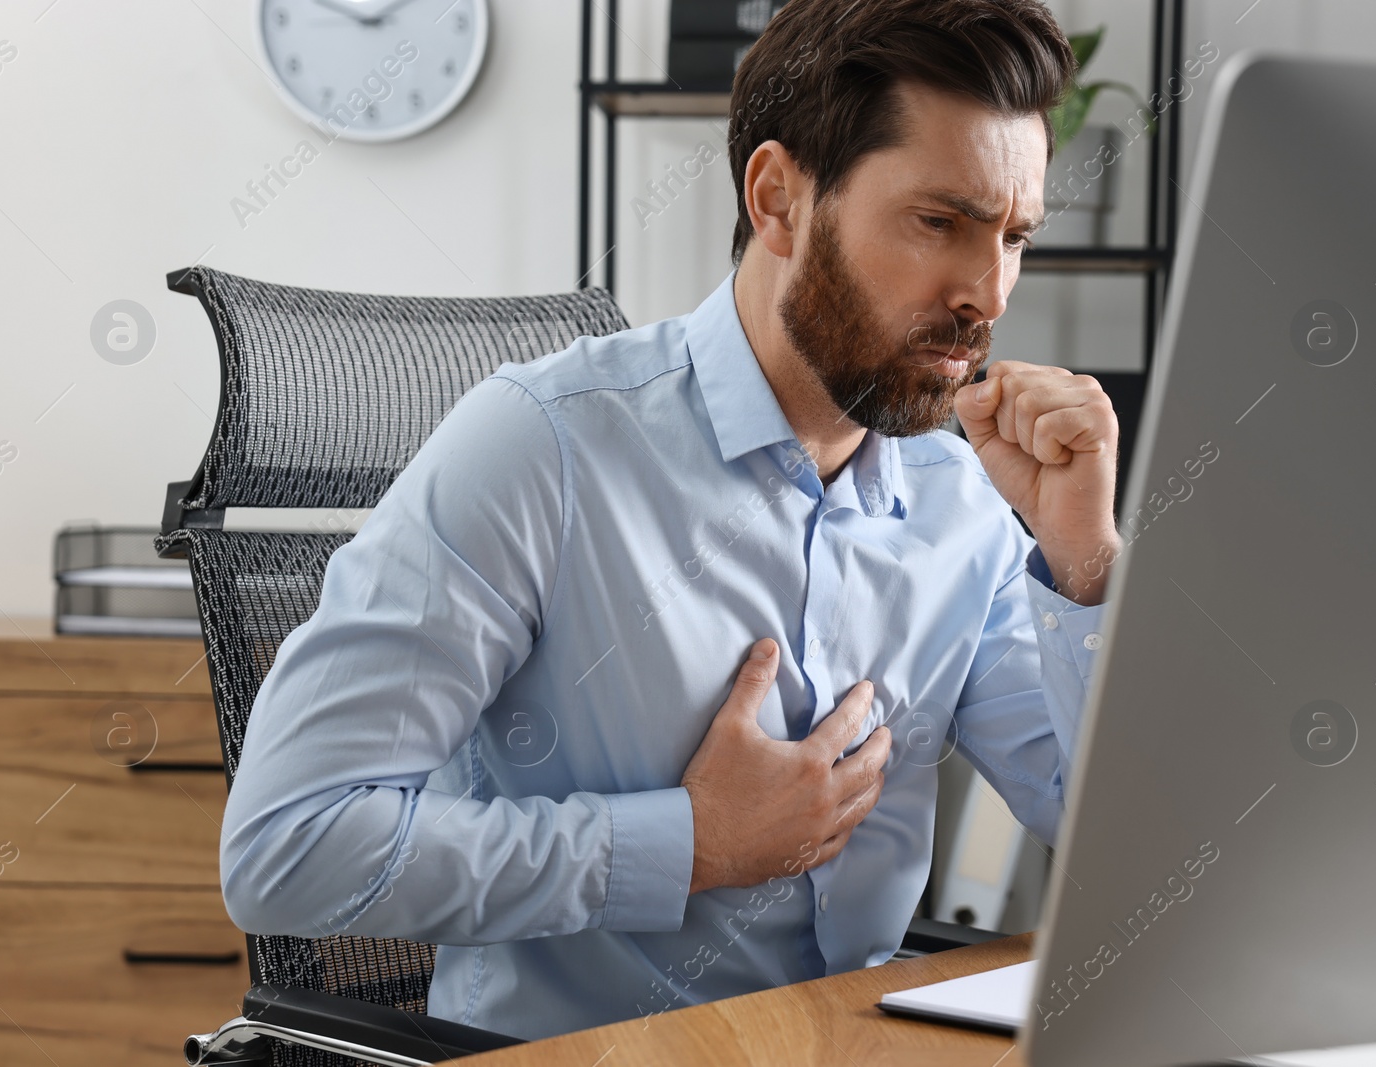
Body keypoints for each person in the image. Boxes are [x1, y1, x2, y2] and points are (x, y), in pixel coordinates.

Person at [219, 0, 1123, 1040]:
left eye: (1012, 237)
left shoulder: (958, 499)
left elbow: (1112, 835)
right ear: (778, 197)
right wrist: (685, 842)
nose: (985, 290)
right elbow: (286, 849)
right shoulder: (540, 449)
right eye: (939, 222)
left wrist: (1083, 560)